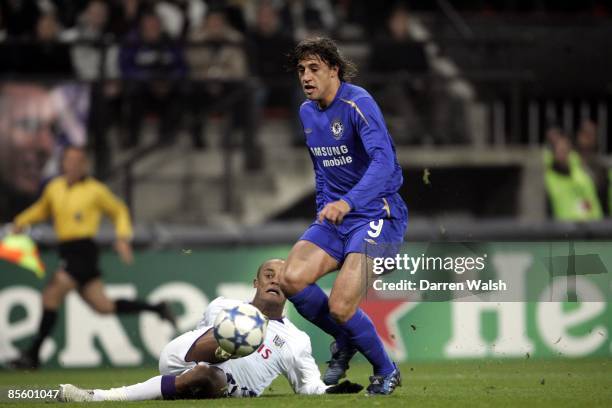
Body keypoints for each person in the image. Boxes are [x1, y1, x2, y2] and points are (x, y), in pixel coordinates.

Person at [280, 37, 407, 395]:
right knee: (291, 278)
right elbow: (321, 168)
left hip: (376, 213)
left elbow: (385, 163)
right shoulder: (307, 112)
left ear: (334, 70)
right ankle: (346, 339)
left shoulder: (358, 102)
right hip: (336, 217)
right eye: (301, 70)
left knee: (340, 304)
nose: (306, 76)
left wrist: (348, 202)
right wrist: (324, 206)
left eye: (314, 68)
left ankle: (386, 371)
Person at [58, 259, 363, 401]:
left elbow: (308, 386)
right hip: (181, 356)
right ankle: (233, 344)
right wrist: (234, 338)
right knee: (234, 331)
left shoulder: (297, 341)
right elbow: (199, 339)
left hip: (221, 384)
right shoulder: (222, 306)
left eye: (283, 279)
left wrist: (333, 390)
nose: (274, 281)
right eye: (268, 275)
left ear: (292, 288)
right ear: (256, 283)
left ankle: (98, 397)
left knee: (206, 373)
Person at [8, 146, 176, 369]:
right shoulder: (54, 188)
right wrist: (20, 222)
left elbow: (118, 210)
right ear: (63, 163)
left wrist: (123, 237)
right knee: (103, 306)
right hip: (66, 249)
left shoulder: (95, 190)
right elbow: (41, 210)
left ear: (84, 165)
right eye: (69, 160)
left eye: (78, 161)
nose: (73, 165)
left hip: (83, 250)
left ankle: (32, 356)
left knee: (51, 295)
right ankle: (156, 308)